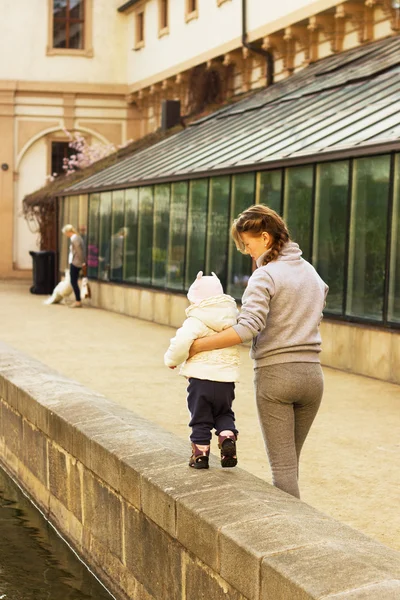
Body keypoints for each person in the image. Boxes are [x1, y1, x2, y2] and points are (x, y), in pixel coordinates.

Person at [188, 205, 328, 498]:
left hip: (277, 378)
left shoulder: (265, 276)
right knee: (291, 465)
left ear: (265, 238)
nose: (247, 252)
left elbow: (246, 328)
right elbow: (317, 310)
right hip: (313, 378)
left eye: (248, 245)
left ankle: (291, 536)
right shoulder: (311, 273)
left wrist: (196, 346)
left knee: (283, 472)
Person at [164, 271, 240, 470]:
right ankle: (227, 437)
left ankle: (200, 456)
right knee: (224, 413)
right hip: (225, 381)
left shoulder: (196, 320)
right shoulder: (232, 319)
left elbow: (181, 342)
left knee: (200, 418)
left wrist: (172, 360)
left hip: (200, 381)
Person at [62, 224, 85, 308]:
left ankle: (78, 301)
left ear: (68, 232)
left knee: (73, 281)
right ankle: (77, 300)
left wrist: (82, 262)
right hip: (76, 261)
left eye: (65, 233)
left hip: (76, 262)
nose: (66, 235)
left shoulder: (75, 238)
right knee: (74, 281)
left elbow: (79, 251)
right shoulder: (76, 238)